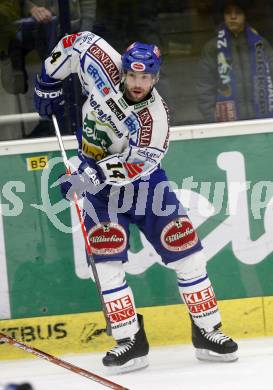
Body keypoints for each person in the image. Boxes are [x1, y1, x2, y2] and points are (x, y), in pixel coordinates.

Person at [33, 30, 238, 373]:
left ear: (156, 77)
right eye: (132, 74)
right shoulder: (103, 65)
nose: (138, 82)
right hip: (100, 192)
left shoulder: (155, 118)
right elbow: (76, 42)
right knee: (106, 265)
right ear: (123, 69)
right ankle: (129, 341)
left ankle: (207, 333)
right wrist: (46, 81)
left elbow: (137, 163)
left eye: (146, 77)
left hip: (145, 186)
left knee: (188, 252)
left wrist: (86, 177)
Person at [196, 0, 273, 122]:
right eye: (228, 13)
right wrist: (211, 119)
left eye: (238, 12)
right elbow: (205, 87)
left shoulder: (261, 45)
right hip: (227, 126)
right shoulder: (213, 47)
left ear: (245, 16)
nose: (233, 16)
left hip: (262, 122)